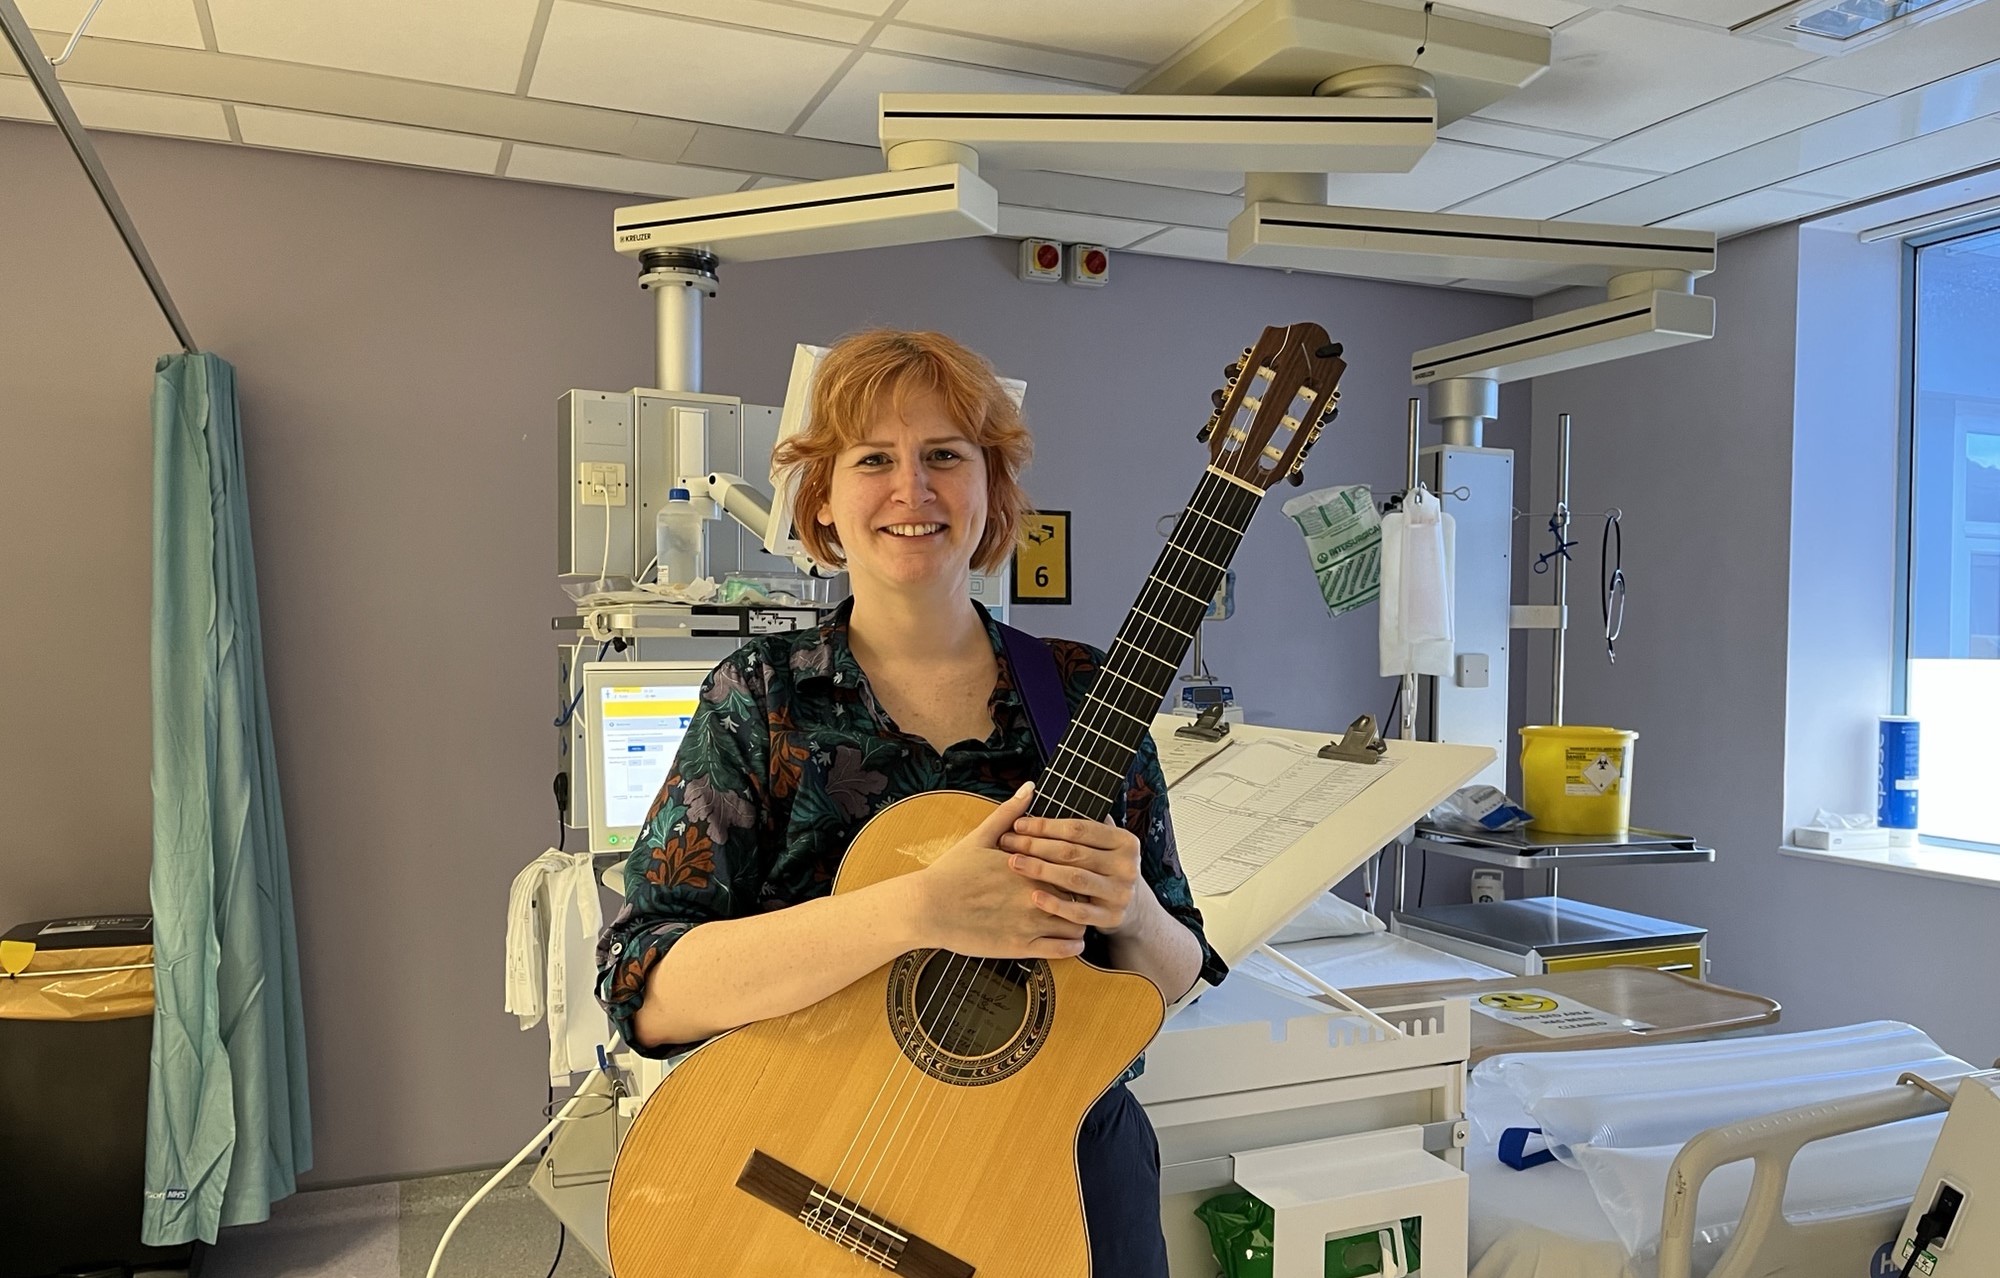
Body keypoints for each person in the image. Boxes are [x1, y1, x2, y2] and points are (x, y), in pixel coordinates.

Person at [595, 328, 1227, 1274]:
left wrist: (1132, 908)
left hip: (1055, 1169)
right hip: (805, 1163)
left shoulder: (1086, 692)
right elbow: (644, 987)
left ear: (992, 489)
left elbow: (1172, 975)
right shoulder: (763, 696)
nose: (912, 490)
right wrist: (913, 910)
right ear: (823, 497)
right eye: (874, 460)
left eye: (944, 456)